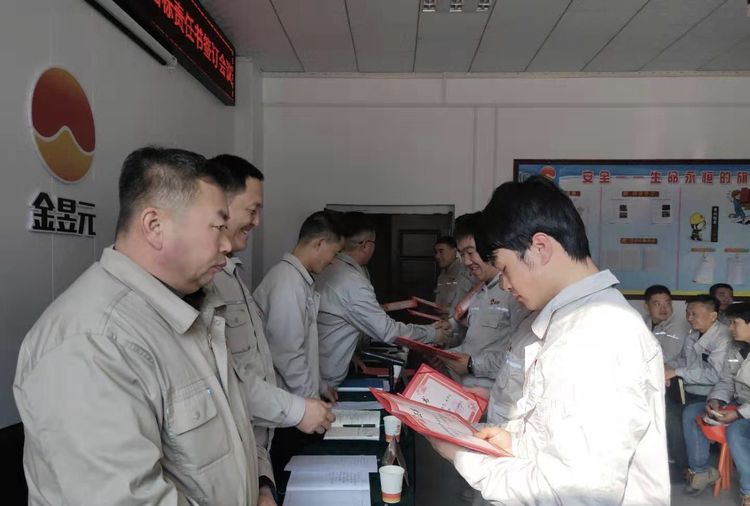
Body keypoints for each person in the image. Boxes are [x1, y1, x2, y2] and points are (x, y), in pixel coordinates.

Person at [14, 147, 261, 504]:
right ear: (155, 226)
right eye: (218, 226)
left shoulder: (190, 306)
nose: (227, 244)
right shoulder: (92, 341)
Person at [428, 175, 670, 505]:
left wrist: (463, 455)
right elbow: (560, 435)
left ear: (539, 248)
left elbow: (570, 494)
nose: (506, 285)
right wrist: (516, 441)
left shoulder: (597, 335)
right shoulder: (568, 319)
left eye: (505, 269)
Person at [206, 155, 335, 505]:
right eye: (253, 210)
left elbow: (253, 367)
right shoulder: (206, 282)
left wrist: (263, 477)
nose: (258, 221)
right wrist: (303, 407)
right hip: (257, 437)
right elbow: (276, 358)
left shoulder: (232, 275)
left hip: (259, 442)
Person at [316, 212, 448, 389]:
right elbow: (387, 331)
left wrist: (348, 354)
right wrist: (432, 333)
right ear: (365, 245)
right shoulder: (352, 281)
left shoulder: (331, 269)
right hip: (327, 381)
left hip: (324, 370)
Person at [254, 211, 343, 401]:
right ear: (319, 243)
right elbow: (288, 354)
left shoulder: (297, 279)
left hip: (297, 399)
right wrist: (312, 400)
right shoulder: (287, 282)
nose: (333, 261)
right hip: (288, 400)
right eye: (334, 253)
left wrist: (320, 386)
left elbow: (304, 349)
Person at [439, 212, 527, 388]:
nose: (466, 261)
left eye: (470, 252)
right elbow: (474, 346)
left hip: (495, 396)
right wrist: (446, 356)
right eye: (462, 254)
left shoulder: (514, 291)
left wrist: (472, 365)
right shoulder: (478, 292)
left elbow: (523, 358)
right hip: (468, 392)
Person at [682, 302, 750, 501]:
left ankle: (748, 491)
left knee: (736, 430)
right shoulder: (736, 348)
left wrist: (738, 414)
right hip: (739, 403)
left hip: (745, 410)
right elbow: (726, 380)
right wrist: (716, 400)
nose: (730, 328)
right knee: (693, 412)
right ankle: (701, 471)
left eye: (735, 323)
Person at [664, 294, 732, 478]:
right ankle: (684, 466)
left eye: (694, 314)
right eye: (688, 313)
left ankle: (698, 471)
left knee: (691, 415)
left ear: (713, 316)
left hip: (714, 394)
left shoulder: (723, 337)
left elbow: (715, 375)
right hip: (691, 391)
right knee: (668, 412)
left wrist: (677, 372)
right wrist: (666, 367)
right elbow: (684, 361)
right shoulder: (693, 335)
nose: (689, 318)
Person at [644, 284, 689, 365]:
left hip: (669, 368)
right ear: (647, 307)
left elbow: (666, 357)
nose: (663, 309)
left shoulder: (678, 326)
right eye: (657, 304)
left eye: (667, 303)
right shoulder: (643, 321)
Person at [434, 235, 475, 315]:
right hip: (441, 320)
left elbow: (468, 307)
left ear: (454, 251)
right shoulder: (441, 276)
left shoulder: (466, 274)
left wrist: (447, 311)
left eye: (441, 252)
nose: (437, 256)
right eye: (436, 252)